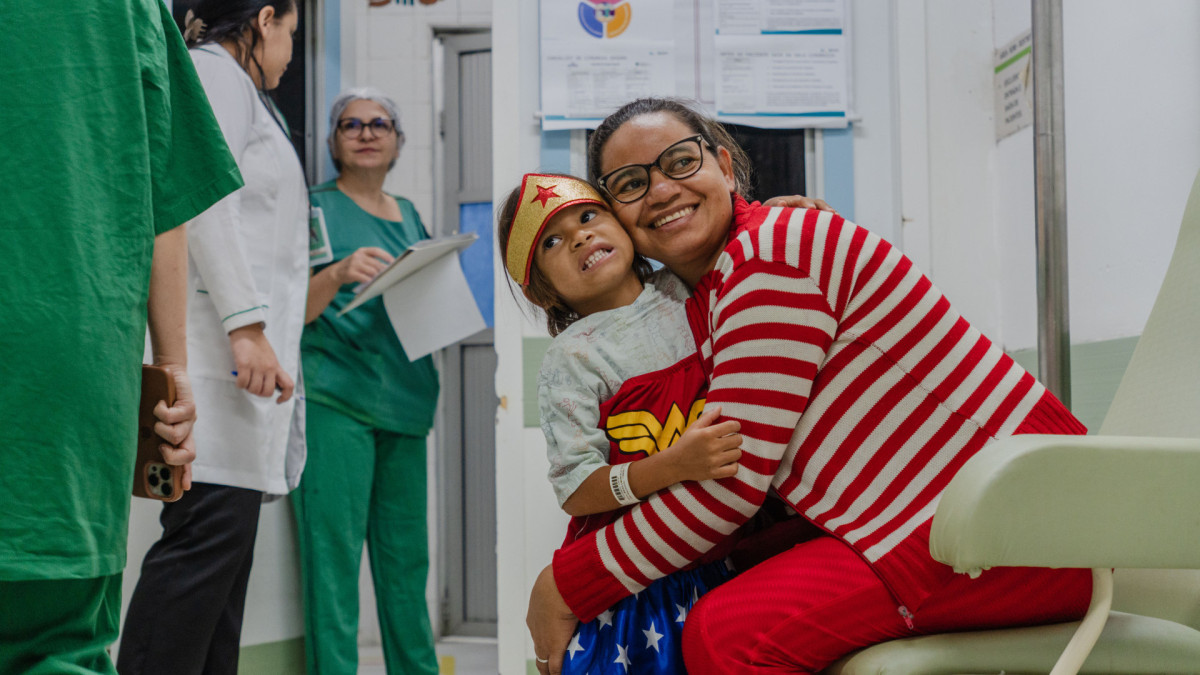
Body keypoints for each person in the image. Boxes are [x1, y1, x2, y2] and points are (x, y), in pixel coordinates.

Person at [527, 97, 1094, 674]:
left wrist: (564, 586)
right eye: (630, 183)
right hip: (957, 522)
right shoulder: (712, 292)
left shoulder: (768, 259)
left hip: (1012, 529)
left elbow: (729, 488)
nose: (662, 190)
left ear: (725, 166)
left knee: (728, 634)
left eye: (679, 162)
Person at [0, 0, 241, 672]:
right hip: (65, 379)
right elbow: (163, 201)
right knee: (56, 642)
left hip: (62, 374)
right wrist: (173, 375)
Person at [498, 173, 758, 674]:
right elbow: (576, 489)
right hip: (639, 586)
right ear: (541, 291)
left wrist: (793, 210)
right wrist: (672, 466)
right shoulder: (571, 358)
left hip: (725, 553)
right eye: (552, 241)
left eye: (589, 216)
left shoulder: (685, 287)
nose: (579, 236)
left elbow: (750, 241)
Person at [118, 2, 308, 673]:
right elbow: (200, 199)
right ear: (264, 18)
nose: (290, 50)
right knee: (198, 562)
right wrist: (247, 325)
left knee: (219, 589)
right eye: (290, 31)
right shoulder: (214, 74)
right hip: (215, 373)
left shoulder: (243, 96)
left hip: (238, 387)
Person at [291, 88, 442, 675]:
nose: (365, 132)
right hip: (336, 397)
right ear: (333, 142)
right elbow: (288, 310)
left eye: (380, 123)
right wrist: (336, 272)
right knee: (332, 564)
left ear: (398, 141)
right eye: (349, 124)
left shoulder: (408, 214)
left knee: (407, 565)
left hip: (406, 402)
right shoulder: (313, 209)